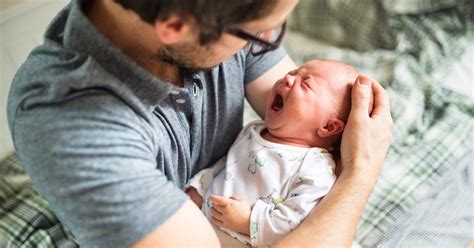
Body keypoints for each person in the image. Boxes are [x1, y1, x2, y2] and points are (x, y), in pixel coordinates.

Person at [6, 0, 393, 247]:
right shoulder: (72, 124)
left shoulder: (217, 19)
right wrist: (361, 172)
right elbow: (350, 158)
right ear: (175, 26)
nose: (266, 40)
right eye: (257, 31)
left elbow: (312, 133)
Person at [185, 59, 370, 246]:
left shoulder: (315, 167)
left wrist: (249, 221)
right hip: (200, 226)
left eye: (305, 83)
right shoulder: (254, 130)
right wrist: (199, 188)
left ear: (328, 126)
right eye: (294, 72)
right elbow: (227, 165)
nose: (288, 78)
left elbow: (297, 224)